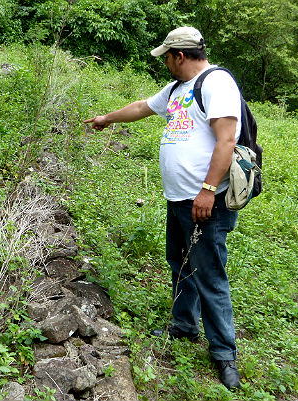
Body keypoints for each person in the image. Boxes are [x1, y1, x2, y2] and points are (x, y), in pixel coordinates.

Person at [84, 26, 242, 390]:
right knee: (181, 263)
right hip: (178, 199)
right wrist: (106, 118)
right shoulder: (176, 89)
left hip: (205, 201)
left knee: (210, 273)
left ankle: (223, 354)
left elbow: (227, 140)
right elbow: (143, 107)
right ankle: (184, 325)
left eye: (166, 57)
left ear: (180, 56)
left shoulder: (217, 84)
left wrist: (206, 191)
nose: (165, 63)